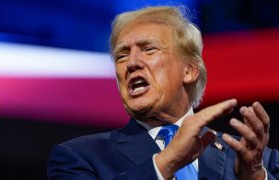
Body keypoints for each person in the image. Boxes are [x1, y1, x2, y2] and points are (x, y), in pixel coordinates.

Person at [47, 6, 279, 180]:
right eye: (122, 55)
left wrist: (256, 177)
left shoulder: (261, 160)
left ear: (189, 70)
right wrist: (167, 162)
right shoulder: (78, 157)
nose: (132, 63)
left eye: (149, 49)